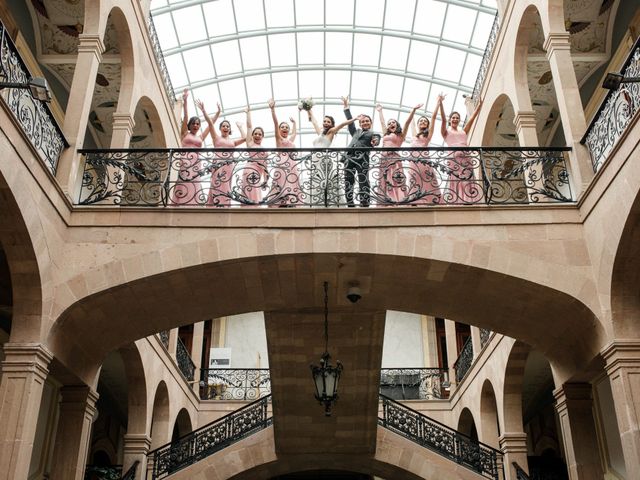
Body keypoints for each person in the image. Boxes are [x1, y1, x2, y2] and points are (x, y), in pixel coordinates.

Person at [306, 106, 360, 206]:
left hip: (324, 159)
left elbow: (342, 124)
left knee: (327, 179)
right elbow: (314, 122)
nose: (326, 123)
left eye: (328, 122)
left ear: (331, 124)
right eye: (324, 121)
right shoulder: (320, 133)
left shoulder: (331, 132)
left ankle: (331, 201)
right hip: (315, 159)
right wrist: (308, 109)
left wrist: (354, 119)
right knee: (317, 179)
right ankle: (317, 202)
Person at [171, 89, 215, 205]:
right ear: (189, 125)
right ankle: (180, 202)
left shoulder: (200, 137)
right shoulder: (185, 133)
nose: (195, 125)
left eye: (197, 124)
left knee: (194, 182)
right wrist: (185, 101)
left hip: (196, 162)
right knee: (184, 180)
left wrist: (208, 111)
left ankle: (192, 203)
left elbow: (211, 125)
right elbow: (185, 117)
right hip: (185, 160)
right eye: (193, 123)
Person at [439, 96, 483, 204]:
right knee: (457, 179)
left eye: (457, 118)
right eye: (453, 118)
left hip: (466, 158)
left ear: (459, 120)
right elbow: (443, 119)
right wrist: (440, 103)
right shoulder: (446, 132)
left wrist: (479, 107)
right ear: (450, 120)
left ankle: (470, 199)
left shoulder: (463, 131)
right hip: (454, 160)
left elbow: (472, 119)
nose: (455, 119)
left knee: (468, 179)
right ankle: (458, 200)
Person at [375, 103, 422, 204]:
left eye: (393, 122)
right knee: (384, 180)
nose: (391, 124)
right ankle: (386, 201)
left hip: (394, 159)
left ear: (396, 125)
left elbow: (407, 123)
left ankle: (397, 200)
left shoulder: (400, 135)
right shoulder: (386, 133)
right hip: (384, 159)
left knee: (396, 179)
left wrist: (413, 109)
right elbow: (382, 122)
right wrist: (380, 111)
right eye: (389, 123)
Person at [208, 103, 246, 206]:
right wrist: (217, 113)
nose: (225, 127)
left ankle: (225, 203)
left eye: (227, 126)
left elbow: (245, 138)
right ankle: (215, 202)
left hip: (229, 165)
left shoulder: (233, 142)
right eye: (223, 126)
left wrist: (240, 127)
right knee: (216, 181)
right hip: (218, 163)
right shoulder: (216, 138)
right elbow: (210, 124)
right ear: (220, 128)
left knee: (226, 183)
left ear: (229, 130)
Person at [342, 95, 374, 207]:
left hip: (362, 159)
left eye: (367, 121)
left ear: (370, 123)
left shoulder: (373, 134)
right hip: (349, 157)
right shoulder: (356, 132)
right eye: (363, 122)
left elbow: (377, 139)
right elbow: (351, 124)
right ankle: (350, 202)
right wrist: (346, 108)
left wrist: (375, 141)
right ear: (360, 124)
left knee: (363, 180)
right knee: (348, 180)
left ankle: (364, 202)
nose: (365, 123)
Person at [408, 99, 440, 204]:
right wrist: (413, 110)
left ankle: (432, 201)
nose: (422, 122)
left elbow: (434, 118)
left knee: (428, 180)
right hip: (413, 162)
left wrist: (438, 103)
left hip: (424, 161)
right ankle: (415, 202)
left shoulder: (428, 135)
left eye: (425, 121)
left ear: (427, 125)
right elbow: (410, 121)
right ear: (418, 124)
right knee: (414, 181)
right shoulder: (414, 135)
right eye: (420, 121)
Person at [268, 99, 300, 207]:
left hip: (292, 163)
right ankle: (281, 201)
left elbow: (295, 133)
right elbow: (275, 123)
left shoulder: (290, 141)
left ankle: (290, 201)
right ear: (279, 129)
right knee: (281, 181)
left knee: (291, 181)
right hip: (282, 161)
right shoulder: (279, 139)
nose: (285, 129)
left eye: (287, 127)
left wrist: (295, 123)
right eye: (283, 127)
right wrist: (272, 110)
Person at [240, 105, 268, 206]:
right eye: (255, 134)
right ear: (252, 135)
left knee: (256, 191)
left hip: (258, 172)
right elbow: (249, 127)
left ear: (262, 136)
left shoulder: (265, 151)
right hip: (249, 169)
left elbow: (265, 166)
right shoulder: (250, 144)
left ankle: (255, 209)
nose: (257, 135)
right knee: (249, 190)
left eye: (259, 134)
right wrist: (248, 113)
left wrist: (266, 180)